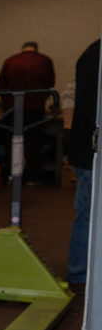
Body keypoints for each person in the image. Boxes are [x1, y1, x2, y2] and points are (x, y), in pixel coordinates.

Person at [0, 41, 56, 183]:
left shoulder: (10, 61)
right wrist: (40, 99)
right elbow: (50, 83)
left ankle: (13, 175)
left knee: (12, 143)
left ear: (22, 49)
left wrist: (8, 101)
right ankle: (32, 177)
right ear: (36, 49)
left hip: (13, 109)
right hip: (35, 109)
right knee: (33, 143)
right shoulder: (44, 61)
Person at [66, 38, 100, 286]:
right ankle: (79, 273)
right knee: (87, 213)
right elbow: (88, 102)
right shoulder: (94, 55)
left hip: (91, 148)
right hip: (89, 152)